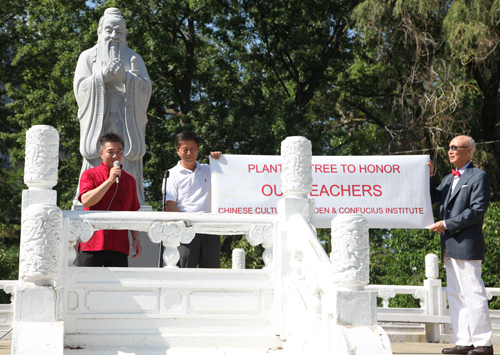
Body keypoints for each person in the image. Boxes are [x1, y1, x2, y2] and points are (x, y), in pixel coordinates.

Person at [73, 7, 151, 207]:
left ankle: (133, 201)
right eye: (109, 30)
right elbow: (80, 88)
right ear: (100, 31)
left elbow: (145, 90)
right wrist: (101, 77)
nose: (114, 35)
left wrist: (126, 78)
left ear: (125, 33)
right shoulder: (88, 57)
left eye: (119, 31)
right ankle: (90, 195)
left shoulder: (135, 58)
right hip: (99, 113)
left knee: (126, 156)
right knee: (97, 153)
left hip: (127, 115)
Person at [428, 135, 493, 355]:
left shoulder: (479, 176)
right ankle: (463, 341)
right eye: (449, 147)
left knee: (473, 293)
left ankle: (483, 343)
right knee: (455, 294)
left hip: (466, 243)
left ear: (469, 151)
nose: (450, 151)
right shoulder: (447, 178)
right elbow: (432, 197)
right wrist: (430, 176)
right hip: (448, 244)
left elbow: (476, 211)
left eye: (455, 147)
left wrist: (446, 224)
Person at [77, 133, 142, 267]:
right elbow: (86, 201)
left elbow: (133, 211)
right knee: (85, 284)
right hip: (92, 243)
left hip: (119, 246)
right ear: (101, 153)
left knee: (116, 288)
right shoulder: (90, 174)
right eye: (110, 152)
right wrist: (110, 180)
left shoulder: (130, 180)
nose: (115, 156)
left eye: (119, 152)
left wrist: (136, 239)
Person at [165, 131, 222, 268]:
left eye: (193, 149)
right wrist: (191, 221)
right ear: (178, 151)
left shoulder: (210, 169)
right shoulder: (171, 174)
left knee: (211, 273)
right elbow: (169, 206)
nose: (189, 153)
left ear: (198, 149)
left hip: (211, 228)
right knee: (184, 271)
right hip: (185, 229)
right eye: (185, 149)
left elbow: (231, 177)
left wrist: (220, 160)